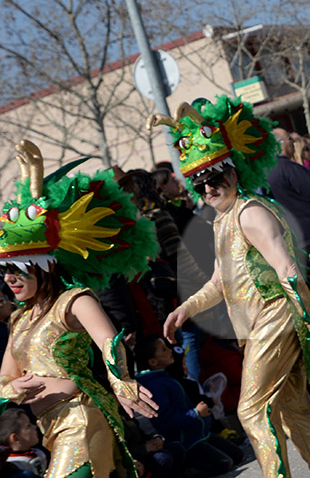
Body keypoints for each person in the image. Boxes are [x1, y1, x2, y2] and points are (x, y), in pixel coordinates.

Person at [149, 97, 310, 478]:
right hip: (258, 325)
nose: (208, 189)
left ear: (233, 174)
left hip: (276, 315)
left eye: (214, 178)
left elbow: (288, 272)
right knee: (292, 408)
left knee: (251, 409)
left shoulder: (251, 212)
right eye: (200, 184)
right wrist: (186, 309)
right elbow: (220, 282)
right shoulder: (222, 220)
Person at [0, 140, 159, 478]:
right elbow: (4, 377)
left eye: (18, 268)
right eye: (5, 270)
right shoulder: (20, 318)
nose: (9, 278)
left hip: (81, 419)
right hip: (49, 430)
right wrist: (12, 390)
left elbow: (109, 342)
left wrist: (122, 381)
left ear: (44, 266)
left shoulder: (73, 301)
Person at [134, 336, 243, 476]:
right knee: (224, 464)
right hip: (186, 441)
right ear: (153, 361)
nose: (170, 351)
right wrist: (196, 413)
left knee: (237, 455)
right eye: (164, 350)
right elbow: (167, 420)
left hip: (200, 434)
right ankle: (186, 468)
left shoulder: (164, 376)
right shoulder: (154, 386)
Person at [267, 128, 310, 259]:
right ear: (281, 144)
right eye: (290, 139)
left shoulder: (269, 171)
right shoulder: (288, 167)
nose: (293, 143)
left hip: (296, 236)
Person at [0, 409, 46, 477]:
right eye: (28, 425)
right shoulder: (15, 463)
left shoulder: (39, 452)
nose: (35, 427)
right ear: (15, 438)